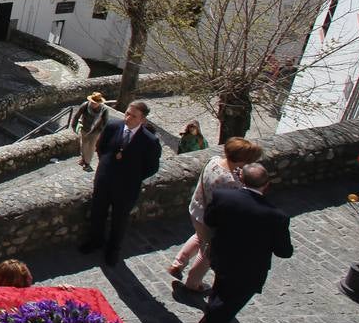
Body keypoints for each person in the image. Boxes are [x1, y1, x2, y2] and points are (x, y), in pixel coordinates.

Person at [181, 164, 292, 323]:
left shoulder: (224, 197)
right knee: (227, 306)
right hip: (247, 270)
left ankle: (211, 309)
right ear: (267, 185)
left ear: (242, 179)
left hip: (222, 257)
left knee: (220, 287)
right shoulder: (277, 217)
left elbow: (210, 220)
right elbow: (284, 252)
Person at [168, 136, 262, 293]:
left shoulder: (214, 160)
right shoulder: (233, 182)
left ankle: (178, 263)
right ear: (241, 160)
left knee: (199, 236)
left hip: (196, 209)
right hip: (210, 221)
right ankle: (193, 283)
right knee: (207, 253)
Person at [78, 100, 161, 266]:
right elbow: (101, 148)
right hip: (104, 180)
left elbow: (152, 167)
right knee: (98, 212)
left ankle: (113, 250)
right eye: (127, 113)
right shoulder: (113, 126)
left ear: (142, 120)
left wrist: (132, 177)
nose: (128, 117)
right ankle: (95, 241)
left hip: (127, 187)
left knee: (119, 219)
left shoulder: (150, 141)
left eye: (133, 116)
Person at [69, 92, 110, 172]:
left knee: (91, 147)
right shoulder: (85, 105)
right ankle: (83, 159)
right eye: (92, 102)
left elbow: (105, 122)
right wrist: (74, 125)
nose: (93, 104)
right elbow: (77, 115)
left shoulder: (104, 110)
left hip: (95, 131)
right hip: (84, 129)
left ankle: (87, 163)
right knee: (84, 145)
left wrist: (101, 131)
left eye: (95, 103)